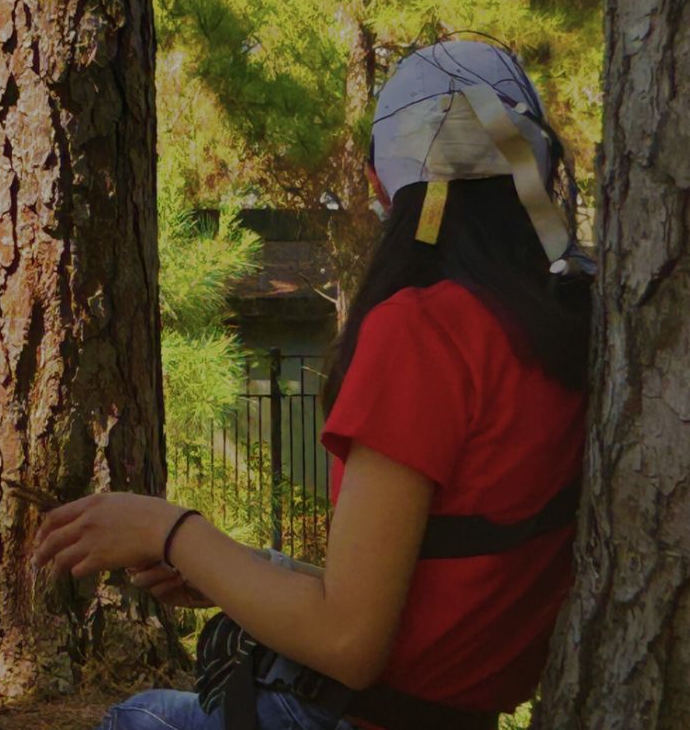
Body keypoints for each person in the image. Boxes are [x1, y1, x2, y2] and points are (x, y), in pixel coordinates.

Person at [32, 39, 594, 730]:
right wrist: (227, 571)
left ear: (383, 184)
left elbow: (350, 643)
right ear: (532, 170)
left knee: (141, 717)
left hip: (353, 717)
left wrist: (165, 528)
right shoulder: (563, 334)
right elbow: (441, 569)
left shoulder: (421, 332)